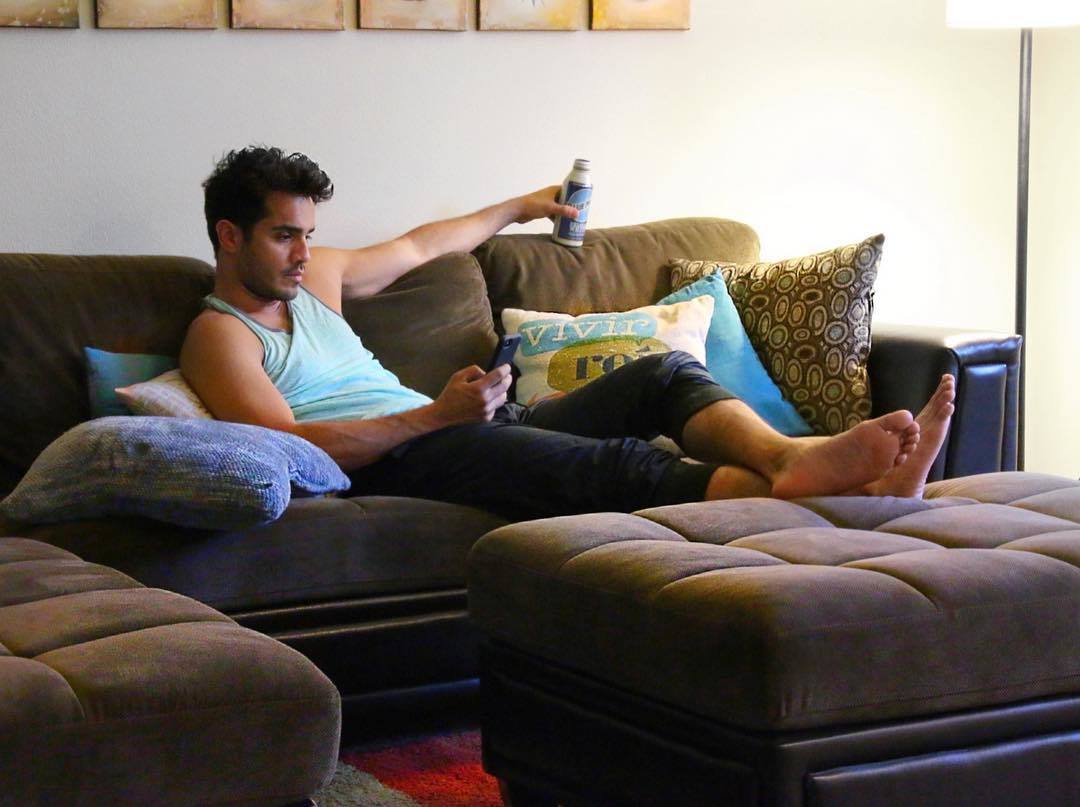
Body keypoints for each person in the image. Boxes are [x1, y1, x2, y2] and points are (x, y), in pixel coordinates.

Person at [180, 146, 956, 521]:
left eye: (309, 234)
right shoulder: (221, 336)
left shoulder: (316, 279)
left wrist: (520, 207)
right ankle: (853, 503)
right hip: (402, 460)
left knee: (660, 375)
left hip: (458, 427)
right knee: (620, 467)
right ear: (229, 236)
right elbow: (292, 450)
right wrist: (433, 417)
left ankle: (791, 460)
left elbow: (420, 245)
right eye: (284, 235)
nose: (304, 252)